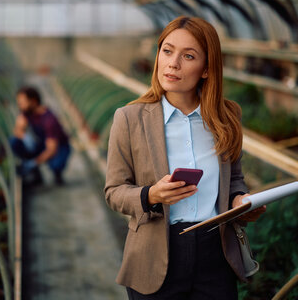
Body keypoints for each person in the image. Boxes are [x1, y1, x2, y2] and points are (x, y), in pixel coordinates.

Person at [104, 16, 265, 299]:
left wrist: (240, 201)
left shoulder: (227, 118)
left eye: (188, 56)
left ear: (206, 69)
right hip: (156, 258)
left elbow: (235, 178)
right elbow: (114, 192)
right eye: (167, 51)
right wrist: (151, 195)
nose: (173, 63)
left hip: (216, 256)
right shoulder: (129, 119)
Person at [11, 86, 71, 185]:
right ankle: (36, 175)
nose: (20, 106)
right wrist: (24, 136)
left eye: (22, 103)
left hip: (59, 147)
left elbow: (51, 150)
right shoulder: (28, 113)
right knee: (14, 142)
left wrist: (33, 163)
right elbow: (17, 130)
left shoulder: (49, 120)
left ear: (33, 101)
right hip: (43, 142)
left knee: (56, 164)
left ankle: (57, 174)